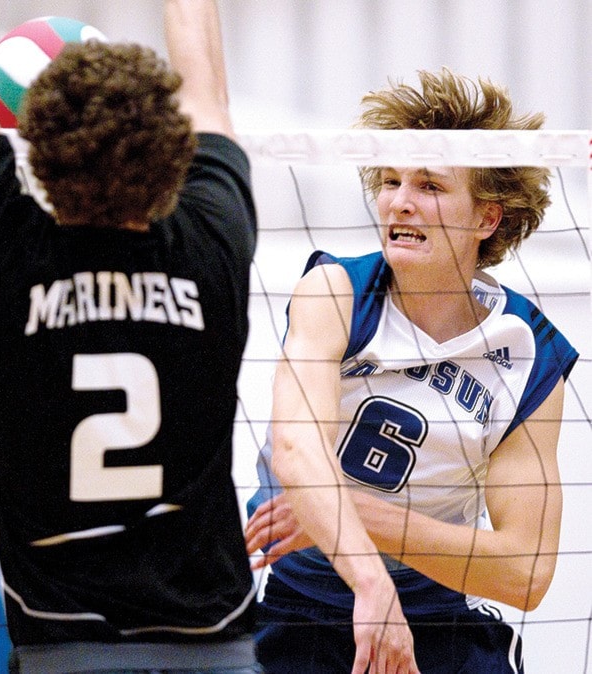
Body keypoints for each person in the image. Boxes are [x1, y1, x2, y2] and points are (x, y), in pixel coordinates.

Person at [0, 0, 262, 672]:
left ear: (39, 150)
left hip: (64, 642)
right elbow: (205, 85)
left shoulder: (6, 258)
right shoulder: (213, 244)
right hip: (213, 638)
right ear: (170, 146)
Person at [244, 68, 579, 674]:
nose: (400, 199)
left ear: (486, 218)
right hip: (303, 612)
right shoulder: (337, 293)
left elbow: (526, 573)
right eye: (392, 180)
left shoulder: (529, 354)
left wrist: (350, 511)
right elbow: (297, 454)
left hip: (439, 618)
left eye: (429, 184)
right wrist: (372, 583)